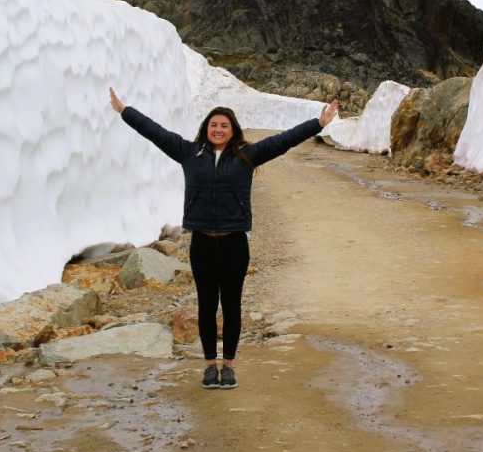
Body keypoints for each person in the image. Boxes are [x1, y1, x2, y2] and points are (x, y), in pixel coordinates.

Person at [109, 87, 338, 389]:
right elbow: (156, 132)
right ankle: (209, 365)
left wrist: (318, 124)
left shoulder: (247, 155)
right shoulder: (189, 153)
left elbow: (282, 142)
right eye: (214, 124)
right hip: (202, 242)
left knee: (231, 305)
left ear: (232, 131)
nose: (218, 129)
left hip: (233, 243)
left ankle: (228, 365)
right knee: (206, 305)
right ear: (206, 128)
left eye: (224, 125)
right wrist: (125, 111)